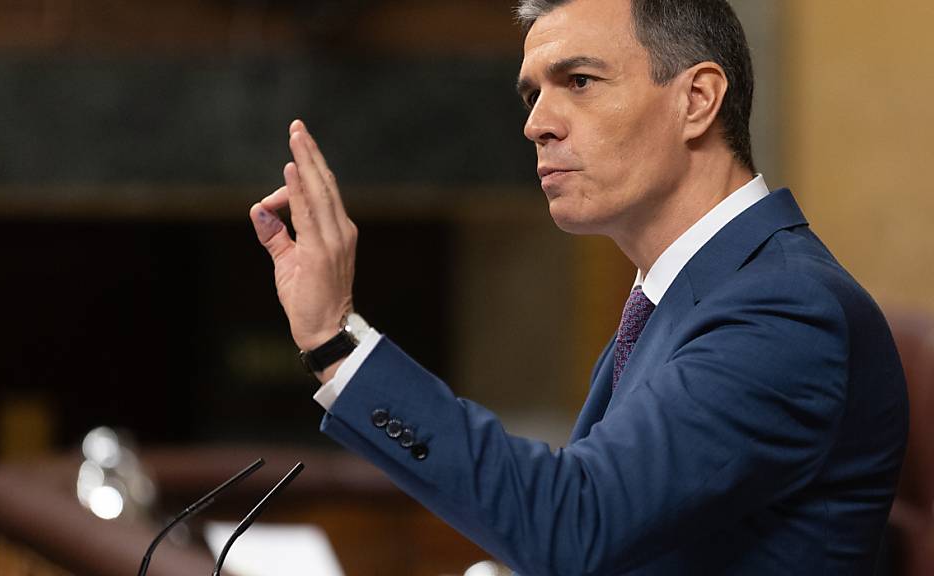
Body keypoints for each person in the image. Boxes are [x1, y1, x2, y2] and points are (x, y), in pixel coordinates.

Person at [249, 0, 909, 574]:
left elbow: (577, 524)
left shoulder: (786, 310)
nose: (537, 122)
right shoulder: (676, 297)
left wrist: (338, 339)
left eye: (580, 81)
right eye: (532, 94)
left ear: (698, 100)